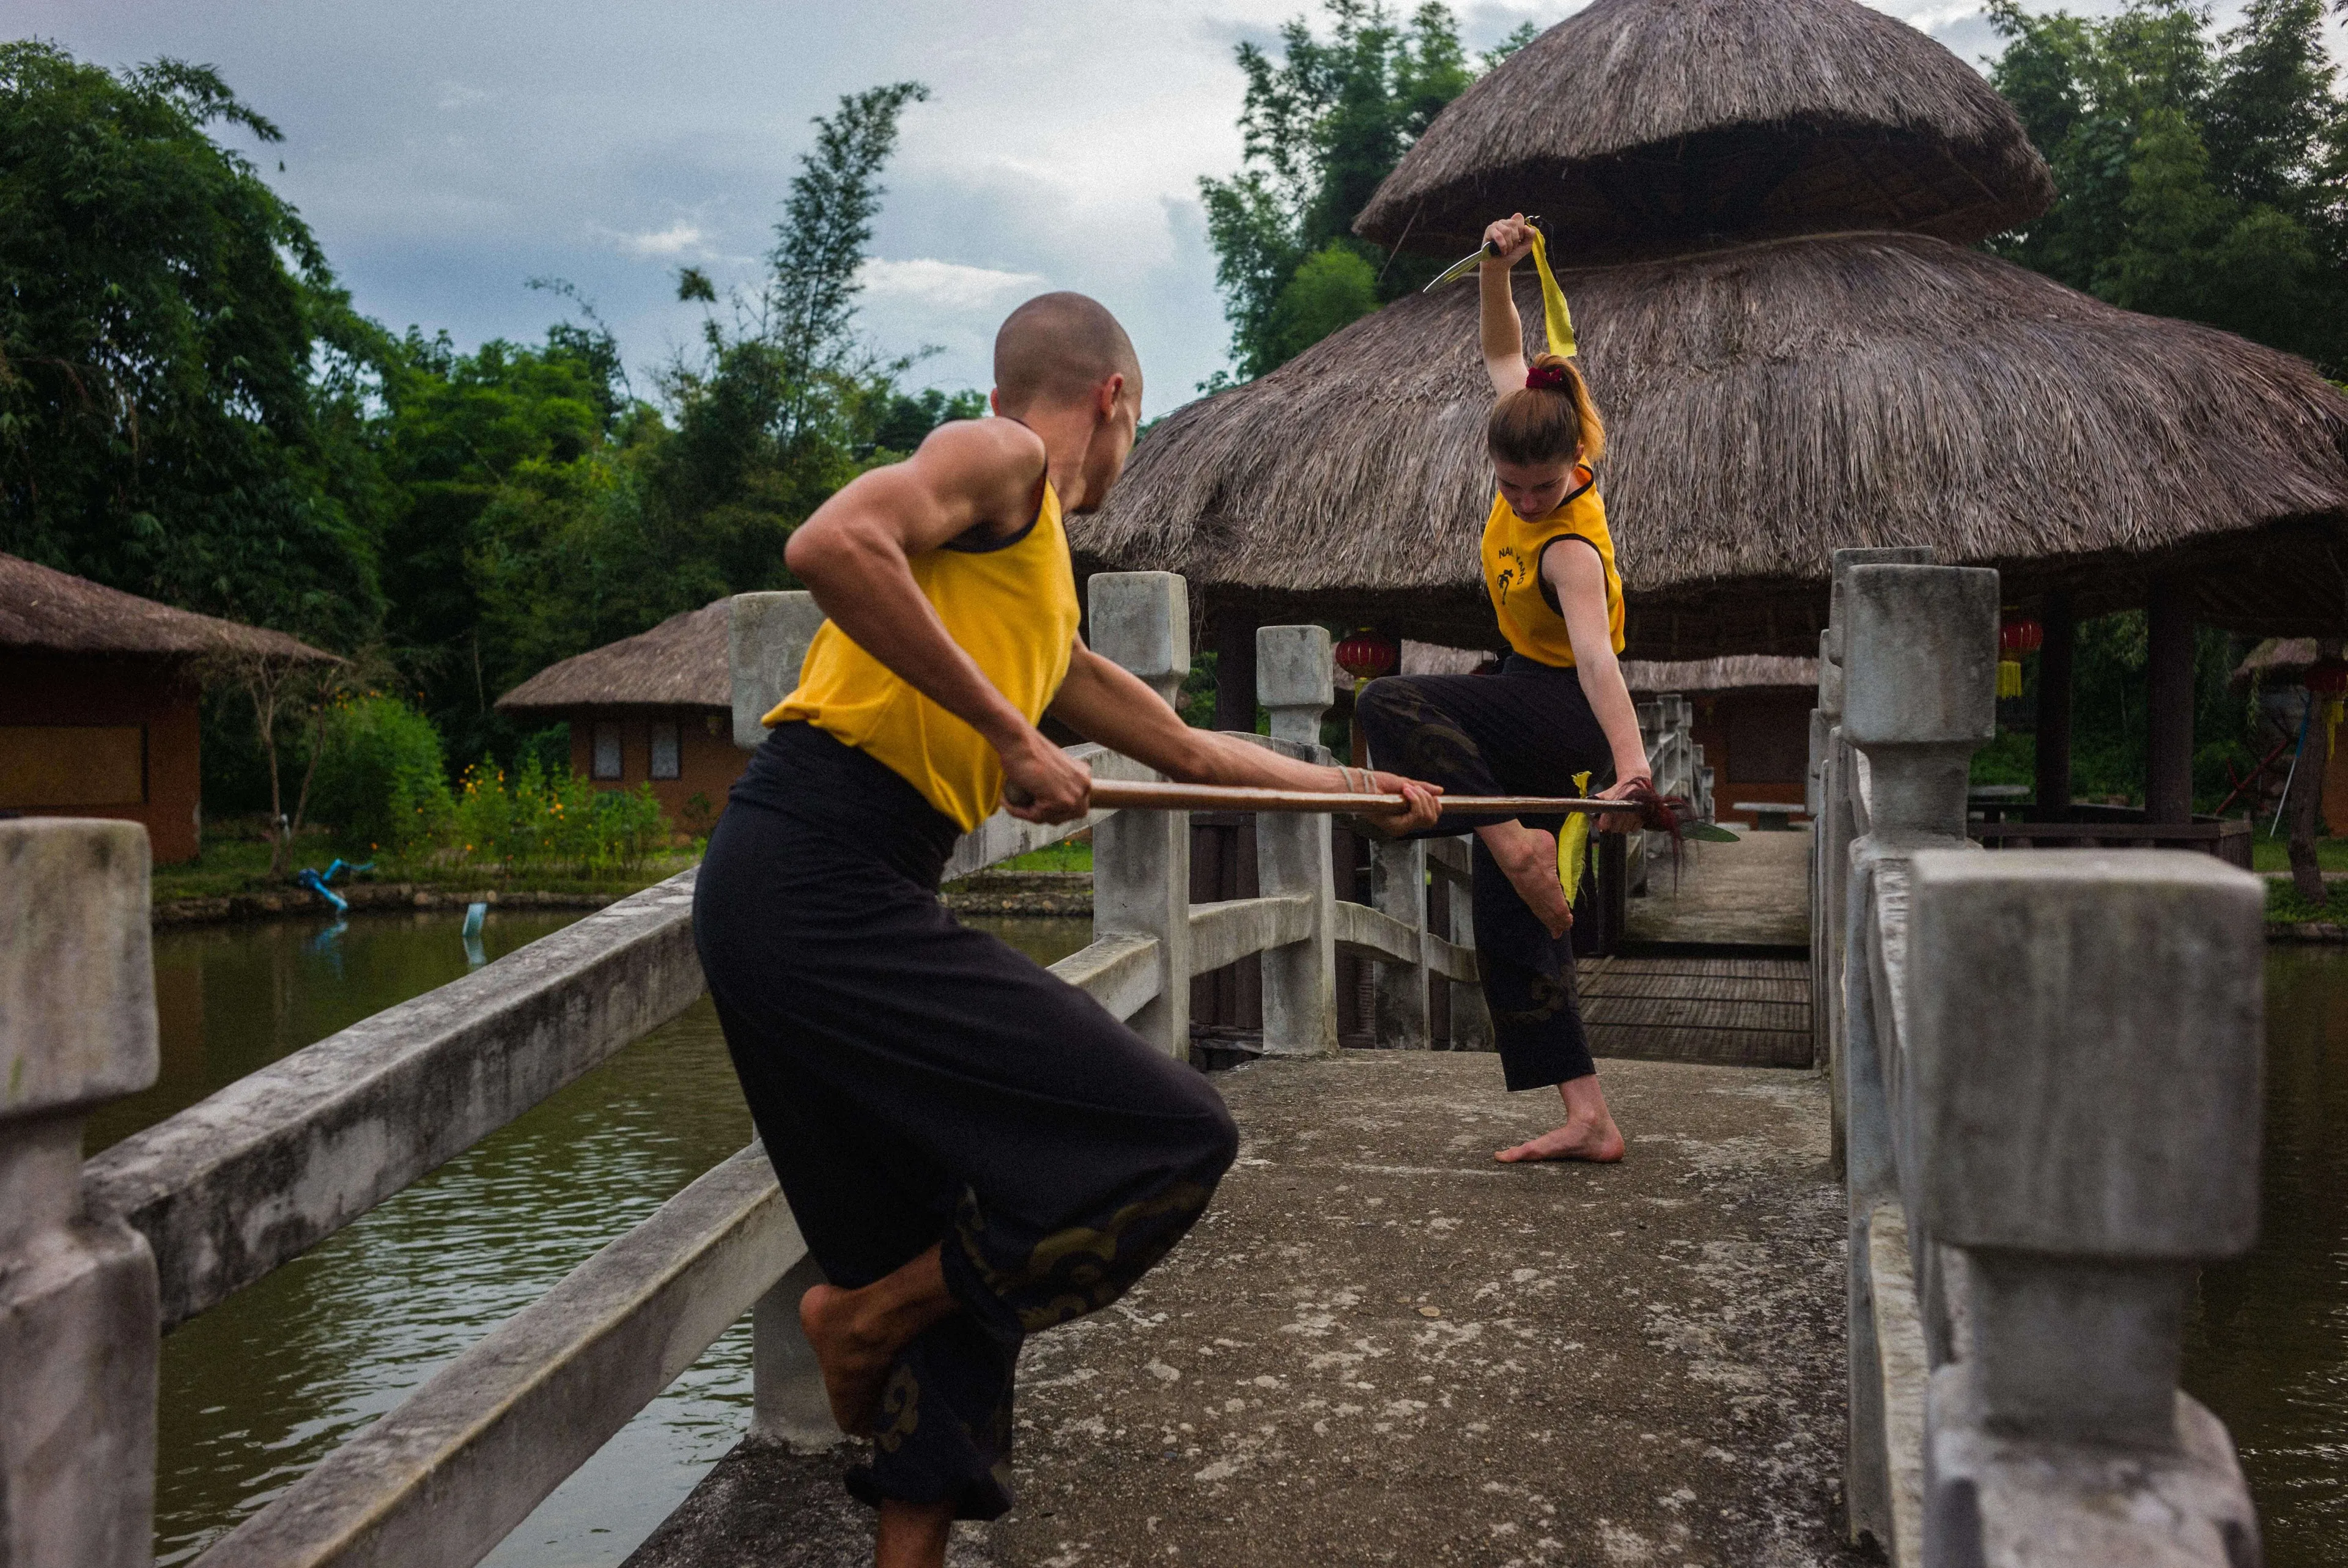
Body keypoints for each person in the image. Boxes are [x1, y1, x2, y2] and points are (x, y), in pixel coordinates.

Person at [692, 291, 1445, 1568]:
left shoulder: (1034, 595)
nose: (1127, 450)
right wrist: (1009, 733)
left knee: (959, 1258)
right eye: (1137, 425)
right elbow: (831, 542)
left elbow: (1194, 748)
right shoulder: (1003, 457)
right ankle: (865, 1315)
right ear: (1113, 399)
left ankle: (882, 1322)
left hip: (834, 884)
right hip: (813, 877)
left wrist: (1363, 795)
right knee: (1169, 1137)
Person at [1354, 212, 1650, 1167]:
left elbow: (1599, 663)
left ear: (1573, 463)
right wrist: (1493, 267)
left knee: (1386, 704)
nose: (1525, 503)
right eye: (1512, 490)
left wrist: (1633, 768)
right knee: (1509, 929)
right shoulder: (1532, 416)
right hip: (1525, 688)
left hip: (1564, 703)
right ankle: (1589, 1115)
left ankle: (1505, 834)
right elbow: (1504, 347)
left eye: (1542, 487)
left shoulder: (1569, 544)